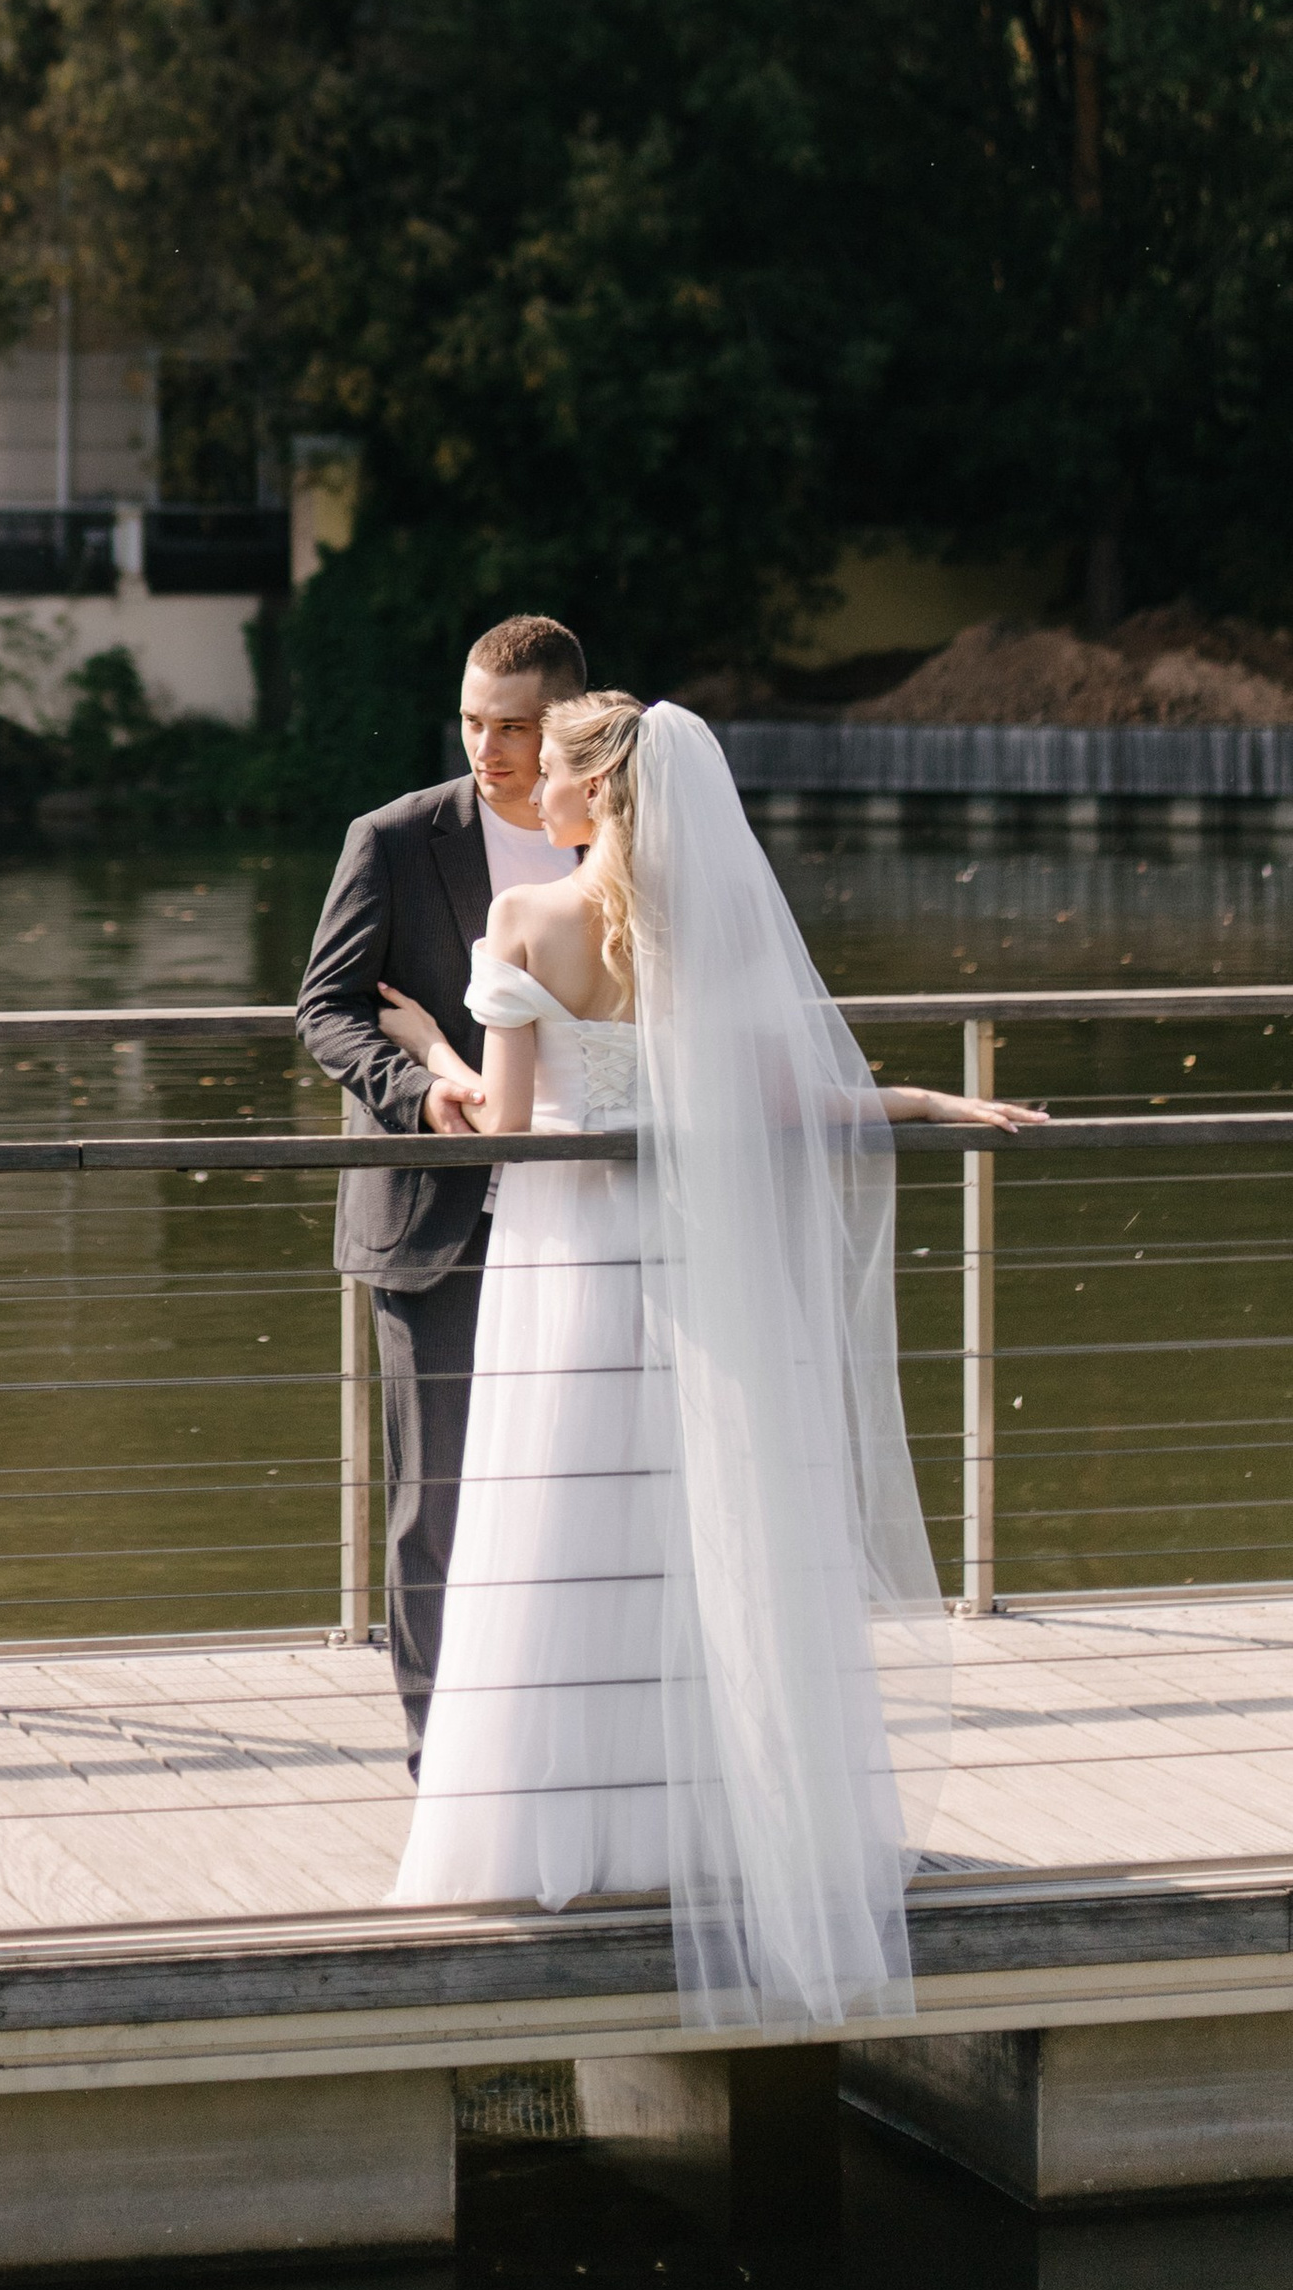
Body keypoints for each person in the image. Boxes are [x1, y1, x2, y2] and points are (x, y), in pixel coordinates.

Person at [377, 691, 1044, 2029]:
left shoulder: (528, 924)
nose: (532, 794)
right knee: (694, 1531)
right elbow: (783, 1101)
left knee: (560, 1527)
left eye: (550, 774)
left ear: (589, 791)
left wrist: (429, 1051)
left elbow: (509, 1132)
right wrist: (919, 1100)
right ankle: (717, 1830)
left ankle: (555, 1841)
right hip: (693, 1271)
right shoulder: (711, 933)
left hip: (569, 1272)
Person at [295, 613, 591, 1766]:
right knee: (438, 1501)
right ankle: (443, 1761)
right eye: (470, 720)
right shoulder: (395, 837)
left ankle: (558, 1741)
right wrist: (417, 1089)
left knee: (576, 1481)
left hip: (587, 1211)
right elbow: (325, 1009)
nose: (486, 747)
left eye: (511, 727)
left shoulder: (605, 839)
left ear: (562, 722)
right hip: (432, 1217)